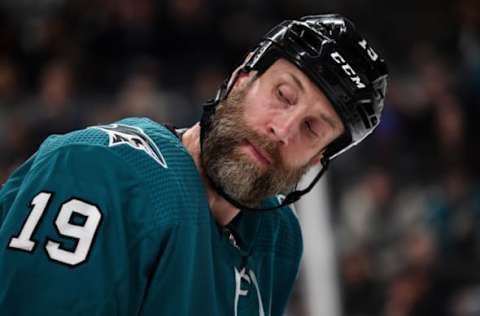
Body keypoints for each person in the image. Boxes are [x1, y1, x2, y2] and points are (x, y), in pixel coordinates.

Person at [0, 14, 388, 316]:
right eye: (283, 95)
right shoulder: (97, 171)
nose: (283, 130)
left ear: (317, 159)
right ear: (241, 80)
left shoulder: (277, 238)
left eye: (312, 128)